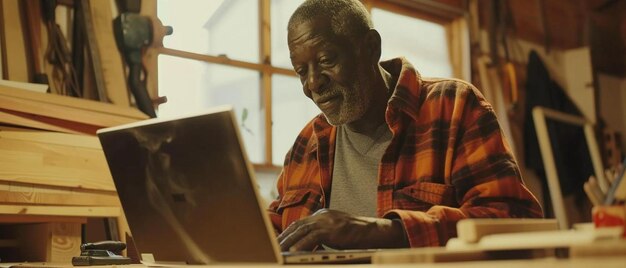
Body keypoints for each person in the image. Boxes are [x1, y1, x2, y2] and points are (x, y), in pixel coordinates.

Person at [268, 0, 543, 252]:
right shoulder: (307, 142)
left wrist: (382, 232)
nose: (313, 83)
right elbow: (273, 232)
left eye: (327, 60)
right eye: (301, 71)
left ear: (371, 48)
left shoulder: (454, 107)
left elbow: (515, 219)